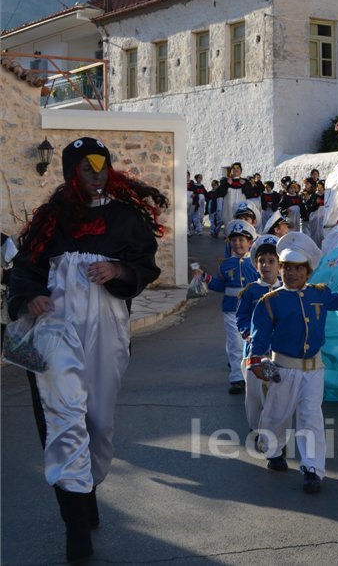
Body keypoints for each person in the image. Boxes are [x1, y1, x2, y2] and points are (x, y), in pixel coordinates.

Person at [7, 136, 167, 562]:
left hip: (106, 328)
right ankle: (74, 525)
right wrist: (30, 298)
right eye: (86, 167)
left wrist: (118, 269)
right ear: (70, 173)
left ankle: (87, 491)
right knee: (63, 416)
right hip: (53, 326)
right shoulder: (51, 218)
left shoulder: (127, 218)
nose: (96, 174)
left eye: (102, 166)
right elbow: (23, 270)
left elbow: (145, 265)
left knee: (96, 421)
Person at [245, 232, 338, 492]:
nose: (291, 273)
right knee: (276, 415)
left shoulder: (319, 294)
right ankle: (274, 451)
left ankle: (312, 469)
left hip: (314, 371)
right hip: (283, 371)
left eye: (298, 269)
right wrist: (257, 361)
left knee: (311, 419)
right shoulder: (270, 302)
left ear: (308, 272)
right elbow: (259, 336)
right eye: (286, 268)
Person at [196, 219, 260, 394]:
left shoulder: (256, 264)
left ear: (250, 242)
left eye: (242, 240)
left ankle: (255, 375)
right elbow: (220, 286)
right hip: (231, 310)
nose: (238, 243)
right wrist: (205, 278)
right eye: (234, 240)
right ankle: (237, 378)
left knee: (255, 343)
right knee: (235, 344)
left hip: (254, 311)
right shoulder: (225, 264)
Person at [236, 235, 282, 434]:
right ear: (256, 264)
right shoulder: (250, 291)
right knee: (254, 395)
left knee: (276, 395)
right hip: (254, 353)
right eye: (262, 261)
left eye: (271, 261)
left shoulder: (286, 290)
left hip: (279, 354)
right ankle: (255, 428)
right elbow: (241, 317)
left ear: (280, 265)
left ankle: (271, 431)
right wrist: (249, 335)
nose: (266, 265)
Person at [218, 162, 257, 233]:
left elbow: (250, 194)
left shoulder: (245, 181)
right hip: (228, 211)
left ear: (241, 171)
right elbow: (219, 193)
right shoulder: (225, 181)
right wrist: (227, 184)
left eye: (238, 168)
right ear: (231, 171)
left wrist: (245, 185)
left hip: (241, 210)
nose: (236, 170)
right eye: (234, 168)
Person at [305, 180, 325, 247]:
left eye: (322, 187)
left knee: (323, 234)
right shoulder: (313, 196)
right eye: (318, 186)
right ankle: (314, 249)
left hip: (323, 218)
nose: (320, 189)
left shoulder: (327, 195)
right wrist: (316, 204)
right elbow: (309, 207)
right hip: (315, 218)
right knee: (314, 235)